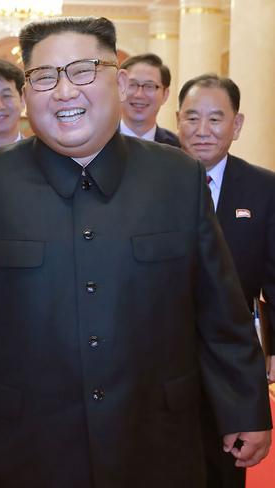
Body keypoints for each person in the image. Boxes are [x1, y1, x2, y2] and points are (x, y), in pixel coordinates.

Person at [0, 16, 272, 488]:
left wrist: (245, 405)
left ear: (121, 82)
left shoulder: (176, 178)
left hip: (157, 438)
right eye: (45, 76)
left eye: (84, 70)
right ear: (27, 94)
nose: (65, 91)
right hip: (25, 444)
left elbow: (221, 312)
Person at [177, 73, 275, 488]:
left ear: (236, 125)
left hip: (232, 354)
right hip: (158, 353)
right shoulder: (149, 182)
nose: (202, 131)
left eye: (216, 119)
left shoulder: (264, 188)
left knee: (223, 465)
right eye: (191, 117)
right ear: (177, 120)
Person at [119, 53, 180, 147]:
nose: (139, 94)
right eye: (132, 84)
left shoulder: (177, 146)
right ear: (120, 88)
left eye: (149, 86)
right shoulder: (99, 142)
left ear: (165, 94)